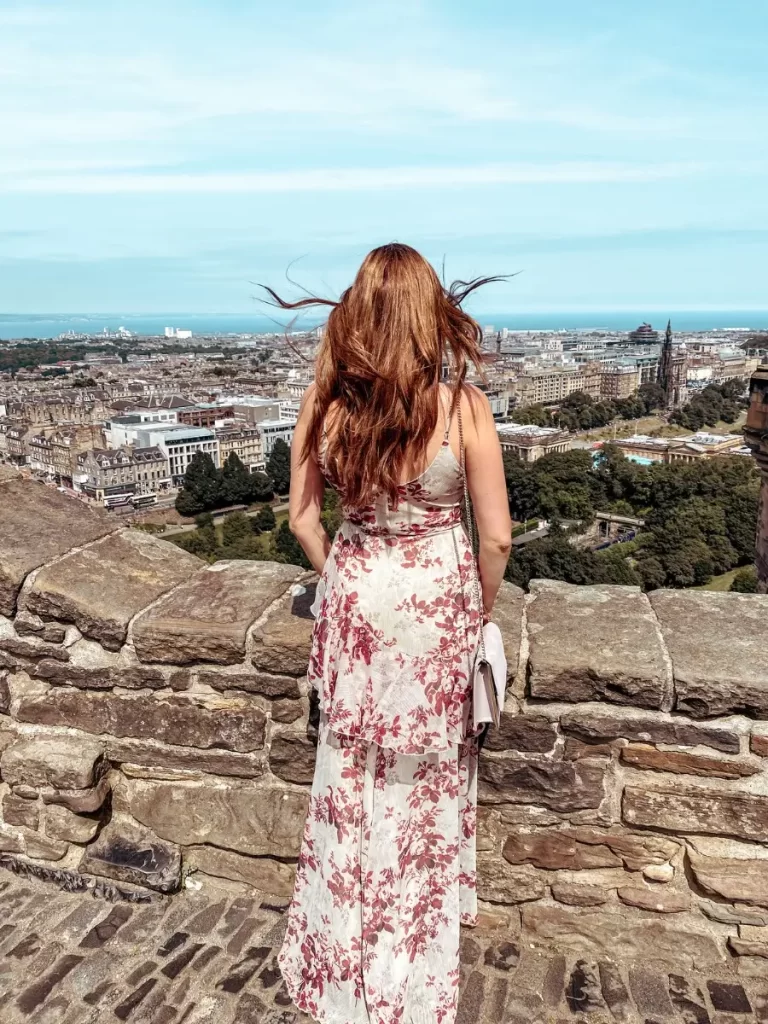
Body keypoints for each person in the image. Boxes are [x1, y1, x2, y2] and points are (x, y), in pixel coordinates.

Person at [272, 243, 512, 1024]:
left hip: (356, 598)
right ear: (427, 316)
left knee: (349, 772)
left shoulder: (326, 403)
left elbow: (302, 519)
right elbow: (498, 538)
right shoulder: (462, 406)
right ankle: (409, 950)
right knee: (425, 779)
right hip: (438, 602)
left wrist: (344, 570)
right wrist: (474, 610)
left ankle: (337, 948)